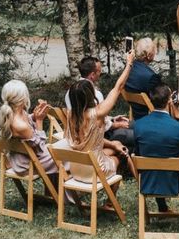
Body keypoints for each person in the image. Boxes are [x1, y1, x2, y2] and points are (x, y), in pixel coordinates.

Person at [66, 50, 135, 187]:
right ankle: (112, 201)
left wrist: (113, 144)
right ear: (90, 95)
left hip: (75, 168)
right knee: (120, 157)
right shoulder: (97, 114)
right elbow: (118, 87)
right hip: (94, 170)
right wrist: (129, 64)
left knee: (116, 146)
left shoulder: (70, 114)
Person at [65, 56, 135, 151]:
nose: (100, 72)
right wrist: (129, 64)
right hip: (101, 141)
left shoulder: (70, 97)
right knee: (136, 134)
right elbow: (118, 88)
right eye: (99, 71)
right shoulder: (95, 99)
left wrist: (111, 118)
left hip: (82, 145)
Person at [0, 80, 58, 181]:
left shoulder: (14, 113)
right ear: (23, 98)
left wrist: (35, 115)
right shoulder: (20, 126)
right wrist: (39, 120)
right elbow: (40, 146)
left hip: (23, 158)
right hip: (28, 164)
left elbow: (27, 119)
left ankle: (55, 194)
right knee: (65, 157)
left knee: (61, 149)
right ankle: (62, 194)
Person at [125, 37, 162, 120]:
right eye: (154, 50)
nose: (155, 53)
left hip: (135, 116)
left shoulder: (128, 69)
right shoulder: (151, 77)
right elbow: (161, 101)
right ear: (148, 55)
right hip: (149, 118)